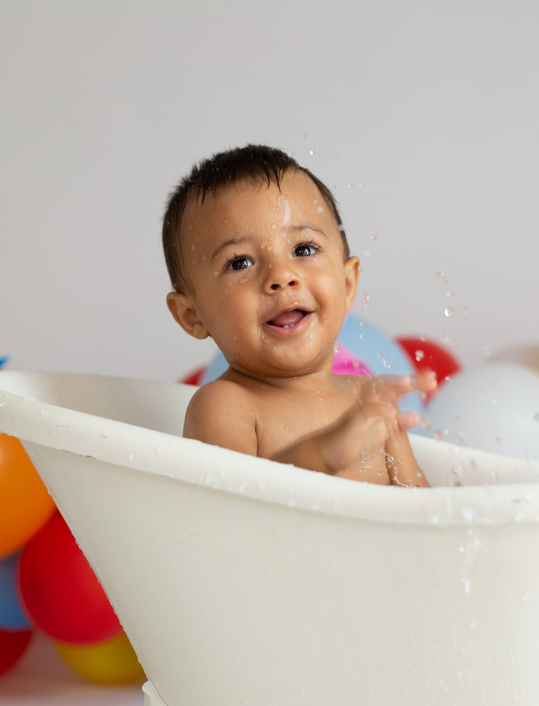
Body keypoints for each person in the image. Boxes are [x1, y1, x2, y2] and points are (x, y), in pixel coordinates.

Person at [162, 145, 434, 487]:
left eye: (303, 249)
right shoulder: (225, 406)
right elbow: (232, 507)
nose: (281, 275)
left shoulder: (370, 402)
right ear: (192, 316)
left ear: (347, 284)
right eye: (240, 262)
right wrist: (321, 455)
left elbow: (424, 509)